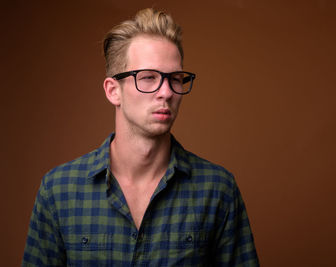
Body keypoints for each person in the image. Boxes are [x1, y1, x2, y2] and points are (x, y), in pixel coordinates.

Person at [22, 8, 259, 266]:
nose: (166, 92)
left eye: (176, 78)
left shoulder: (217, 190)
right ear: (113, 91)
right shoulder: (59, 191)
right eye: (148, 77)